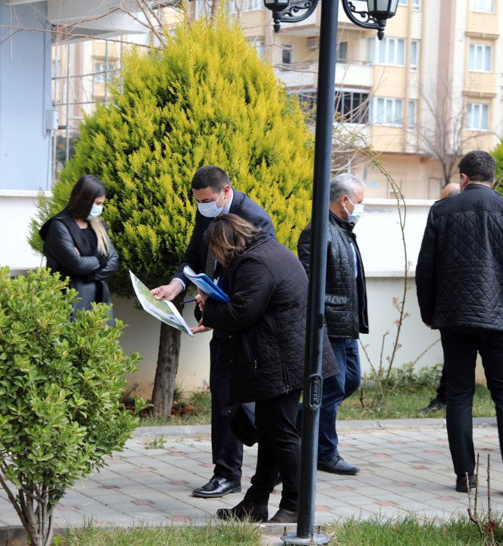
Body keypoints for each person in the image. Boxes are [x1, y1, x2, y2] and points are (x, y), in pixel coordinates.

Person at [416, 150, 503, 497]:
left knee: (459, 395)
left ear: (463, 178)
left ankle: (465, 476)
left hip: (454, 318)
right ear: (494, 179)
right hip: (500, 319)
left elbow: (426, 266)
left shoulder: (441, 211)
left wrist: (429, 313)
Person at [200, 214, 337, 524]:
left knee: (282, 433)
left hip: (283, 359)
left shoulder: (255, 263)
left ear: (226, 243)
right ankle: (256, 502)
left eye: (216, 251)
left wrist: (208, 308)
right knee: (272, 429)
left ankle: (295, 507)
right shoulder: (266, 250)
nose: (217, 259)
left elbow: (241, 312)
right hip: (287, 354)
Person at [151, 165, 275, 499]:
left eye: (207, 200)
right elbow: (195, 256)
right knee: (225, 398)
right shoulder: (208, 212)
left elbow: (254, 275)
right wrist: (176, 286)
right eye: (198, 202)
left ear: (225, 191)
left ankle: (255, 465)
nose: (203, 207)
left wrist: (218, 303)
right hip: (218, 314)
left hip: (241, 319)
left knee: (236, 400)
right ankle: (239, 468)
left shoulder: (254, 218)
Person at [297, 173, 369, 475]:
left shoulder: (344, 230)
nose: (362, 207)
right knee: (333, 385)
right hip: (329, 325)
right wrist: (323, 321)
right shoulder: (318, 232)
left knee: (349, 381)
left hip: (346, 326)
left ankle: (293, 423)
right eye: (360, 201)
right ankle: (325, 451)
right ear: (344, 200)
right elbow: (309, 285)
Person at [39, 174, 118, 326]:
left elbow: (113, 263)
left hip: (99, 302)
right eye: (97, 203)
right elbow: (76, 264)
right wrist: (101, 259)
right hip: (70, 301)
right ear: (85, 200)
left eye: (102, 204)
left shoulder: (98, 226)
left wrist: (86, 267)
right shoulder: (59, 226)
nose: (100, 208)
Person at [419, 181, 461, 414]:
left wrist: (430, 310)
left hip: (452, 307)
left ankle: (446, 399)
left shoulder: (441, 217)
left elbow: (426, 266)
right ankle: (444, 398)